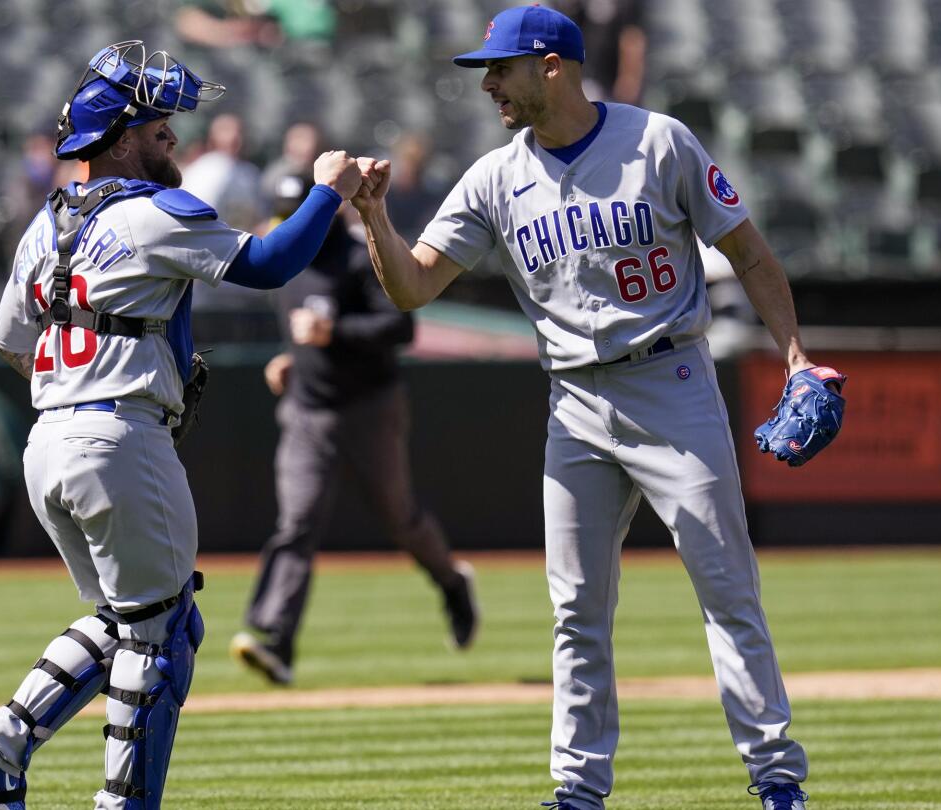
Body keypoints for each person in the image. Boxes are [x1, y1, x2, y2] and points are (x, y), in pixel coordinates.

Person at [348, 7, 842, 809]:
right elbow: (413, 286)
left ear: (551, 66)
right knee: (575, 608)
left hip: (671, 382)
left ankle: (777, 778)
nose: (489, 86)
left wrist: (794, 356)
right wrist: (373, 217)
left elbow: (748, 252)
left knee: (727, 592)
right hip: (574, 401)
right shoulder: (492, 178)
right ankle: (578, 790)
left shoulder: (658, 142)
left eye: (501, 69)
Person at [0, 40, 362, 810]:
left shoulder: (42, 226)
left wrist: (74, 388)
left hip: (50, 442)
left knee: (141, 618)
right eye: (156, 123)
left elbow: (10, 343)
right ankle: (117, 801)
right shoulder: (154, 212)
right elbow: (268, 264)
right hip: (118, 435)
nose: (172, 134)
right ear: (118, 136)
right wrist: (326, 192)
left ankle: (3, 740)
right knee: (161, 642)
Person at [228, 175, 479, 687]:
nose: (288, 226)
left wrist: (332, 334)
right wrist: (291, 358)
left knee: (400, 519)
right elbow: (301, 331)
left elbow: (402, 328)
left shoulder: (359, 257)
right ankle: (276, 641)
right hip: (307, 411)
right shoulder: (286, 258)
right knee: (297, 522)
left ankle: (452, 583)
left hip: (370, 408)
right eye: (283, 217)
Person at [550, 0, 647, 105]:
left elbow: (632, 36)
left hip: (608, 82)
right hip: (577, 77)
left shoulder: (623, 5)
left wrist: (629, 78)